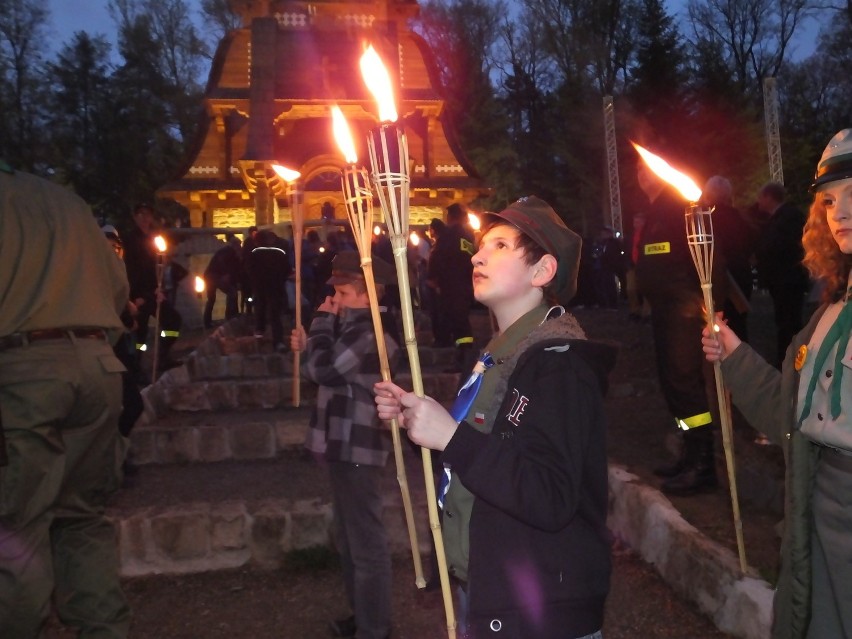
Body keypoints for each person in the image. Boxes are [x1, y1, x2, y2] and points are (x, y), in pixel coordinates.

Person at [375, 196, 614, 639]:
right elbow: (484, 453)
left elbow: (550, 495)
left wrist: (452, 439)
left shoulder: (559, 366)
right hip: (491, 593)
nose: (478, 255)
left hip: (540, 612)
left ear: (542, 272)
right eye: (481, 246)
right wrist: (420, 424)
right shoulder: (499, 354)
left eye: (500, 246)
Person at [702, 129, 852, 639]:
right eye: (830, 201)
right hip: (813, 533)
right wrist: (735, 354)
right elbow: (792, 420)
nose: (841, 214)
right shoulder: (828, 315)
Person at [0, 162, 132, 637]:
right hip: (98, 368)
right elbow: (119, 288)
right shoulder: (67, 203)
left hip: (21, 372)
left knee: (15, 522)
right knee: (81, 518)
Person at [290, 250, 400, 639]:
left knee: (365, 543)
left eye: (341, 293)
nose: (334, 299)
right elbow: (320, 365)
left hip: (358, 448)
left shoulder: (369, 334)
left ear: (365, 294)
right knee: (351, 541)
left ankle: (375, 628)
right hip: (343, 445)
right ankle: (365, 618)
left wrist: (319, 326)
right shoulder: (350, 331)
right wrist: (312, 342)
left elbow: (325, 370)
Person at [634, 153, 725, 496]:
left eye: (648, 167)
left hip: (684, 312)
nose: (642, 174)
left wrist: (711, 306)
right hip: (663, 311)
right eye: (639, 169)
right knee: (673, 385)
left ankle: (702, 465)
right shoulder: (655, 211)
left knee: (685, 384)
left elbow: (709, 255)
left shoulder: (678, 208)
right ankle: (689, 454)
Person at [122, 202, 183, 372]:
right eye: (140, 214)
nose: (144, 218)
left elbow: (157, 267)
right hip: (138, 294)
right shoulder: (129, 240)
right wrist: (136, 296)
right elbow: (131, 269)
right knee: (139, 334)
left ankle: (163, 356)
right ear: (135, 217)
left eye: (147, 214)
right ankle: (136, 368)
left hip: (154, 292)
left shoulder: (153, 239)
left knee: (173, 321)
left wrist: (159, 288)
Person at [755, 181, 809, 366]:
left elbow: (778, 247)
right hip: (784, 281)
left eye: (761, 197)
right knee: (786, 321)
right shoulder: (786, 217)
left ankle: (790, 359)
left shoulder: (787, 218)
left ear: (769, 197)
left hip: (788, 281)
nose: (758, 202)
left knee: (789, 322)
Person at [701, 175, 758, 342]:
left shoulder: (707, 220)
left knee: (718, 328)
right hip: (742, 277)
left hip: (718, 280)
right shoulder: (742, 218)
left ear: (708, 194)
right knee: (739, 327)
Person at [427, 203, 477, 372]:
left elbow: (437, 258)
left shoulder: (447, 235)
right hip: (466, 284)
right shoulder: (468, 236)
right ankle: (464, 355)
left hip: (450, 285)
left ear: (449, 218)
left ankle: (463, 359)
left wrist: (432, 278)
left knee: (457, 322)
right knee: (461, 321)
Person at [250, 229, 291, 351]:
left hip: (260, 288)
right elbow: (287, 270)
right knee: (275, 316)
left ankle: (259, 339)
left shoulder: (253, 254)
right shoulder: (279, 253)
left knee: (260, 313)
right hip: (276, 288)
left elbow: (249, 271)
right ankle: (278, 342)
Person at [203, 235, 242, 328]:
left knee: (211, 299)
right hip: (215, 276)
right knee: (232, 292)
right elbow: (224, 263)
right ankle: (229, 318)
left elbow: (235, 269)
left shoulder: (227, 252)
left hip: (210, 275)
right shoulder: (229, 251)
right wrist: (226, 274)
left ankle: (207, 322)